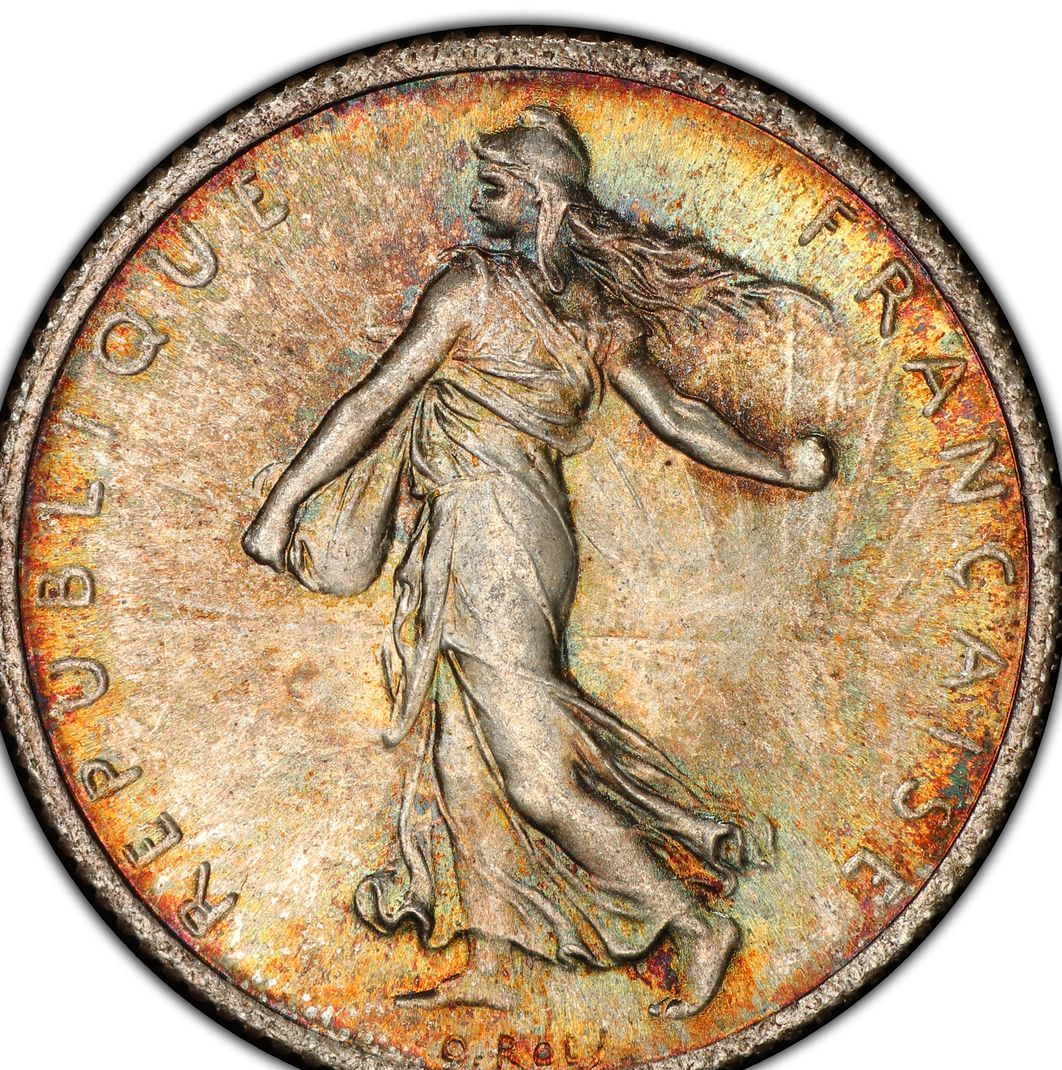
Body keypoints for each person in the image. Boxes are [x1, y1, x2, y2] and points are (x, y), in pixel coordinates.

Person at [243, 106, 833, 1017]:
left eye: (495, 184)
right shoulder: (591, 315)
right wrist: (778, 467)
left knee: (536, 778)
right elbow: (678, 419)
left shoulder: (472, 289)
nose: (478, 197)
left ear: (543, 200)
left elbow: (374, 400)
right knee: (463, 761)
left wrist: (283, 504)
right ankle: (494, 964)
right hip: (505, 527)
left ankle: (691, 918)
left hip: (491, 532)